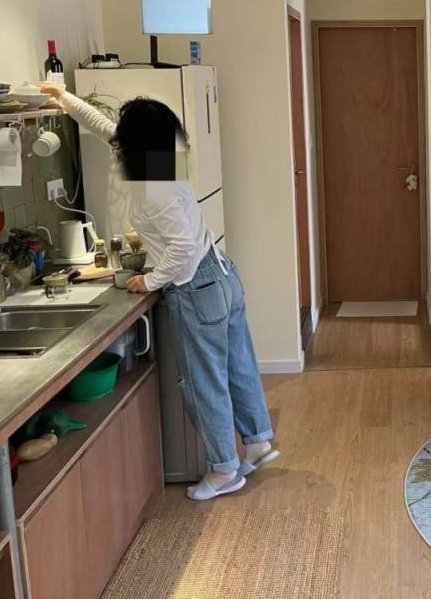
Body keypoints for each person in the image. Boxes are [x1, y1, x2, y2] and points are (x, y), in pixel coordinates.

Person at [38, 83, 279, 501]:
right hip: (222, 275)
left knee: (204, 382)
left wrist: (149, 281)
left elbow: (182, 249)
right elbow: (103, 126)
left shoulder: (153, 187)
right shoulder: (159, 162)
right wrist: (63, 98)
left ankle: (225, 470)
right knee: (237, 366)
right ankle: (257, 442)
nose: (117, 139)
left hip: (196, 287)